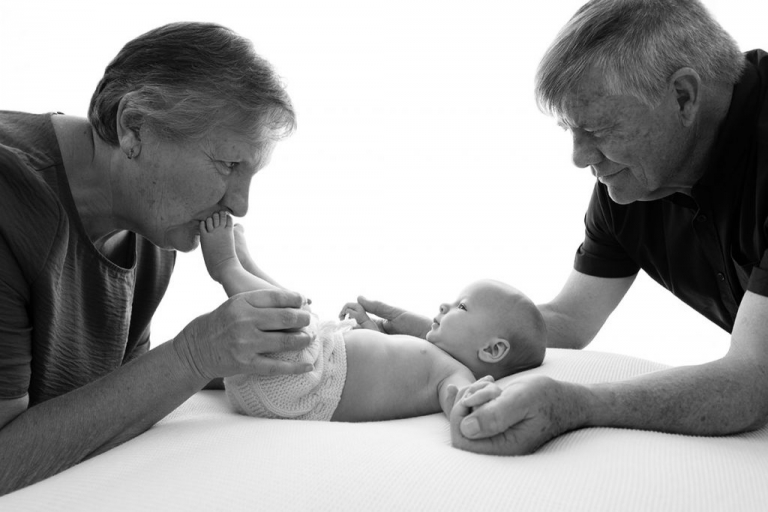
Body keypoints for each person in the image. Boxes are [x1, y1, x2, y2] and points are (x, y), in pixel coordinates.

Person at [353, 0, 768, 455]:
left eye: (600, 129)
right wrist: (447, 337)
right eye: (570, 129)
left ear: (684, 96)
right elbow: (569, 321)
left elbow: (754, 380)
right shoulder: (636, 183)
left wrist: (579, 405)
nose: (579, 157)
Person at [0, 22, 317, 495]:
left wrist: (234, 355)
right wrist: (196, 353)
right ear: (134, 128)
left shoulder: (151, 230)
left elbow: (109, 404)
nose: (241, 205)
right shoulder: (10, 197)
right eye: (229, 165)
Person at [198, 212, 546, 421]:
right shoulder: (431, 354)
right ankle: (215, 363)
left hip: (306, 385)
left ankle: (228, 268)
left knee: (295, 317)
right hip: (302, 371)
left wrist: (478, 403)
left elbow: (460, 400)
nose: (443, 306)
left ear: (493, 350)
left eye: (462, 307)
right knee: (303, 313)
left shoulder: (456, 373)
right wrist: (366, 326)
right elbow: (382, 365)